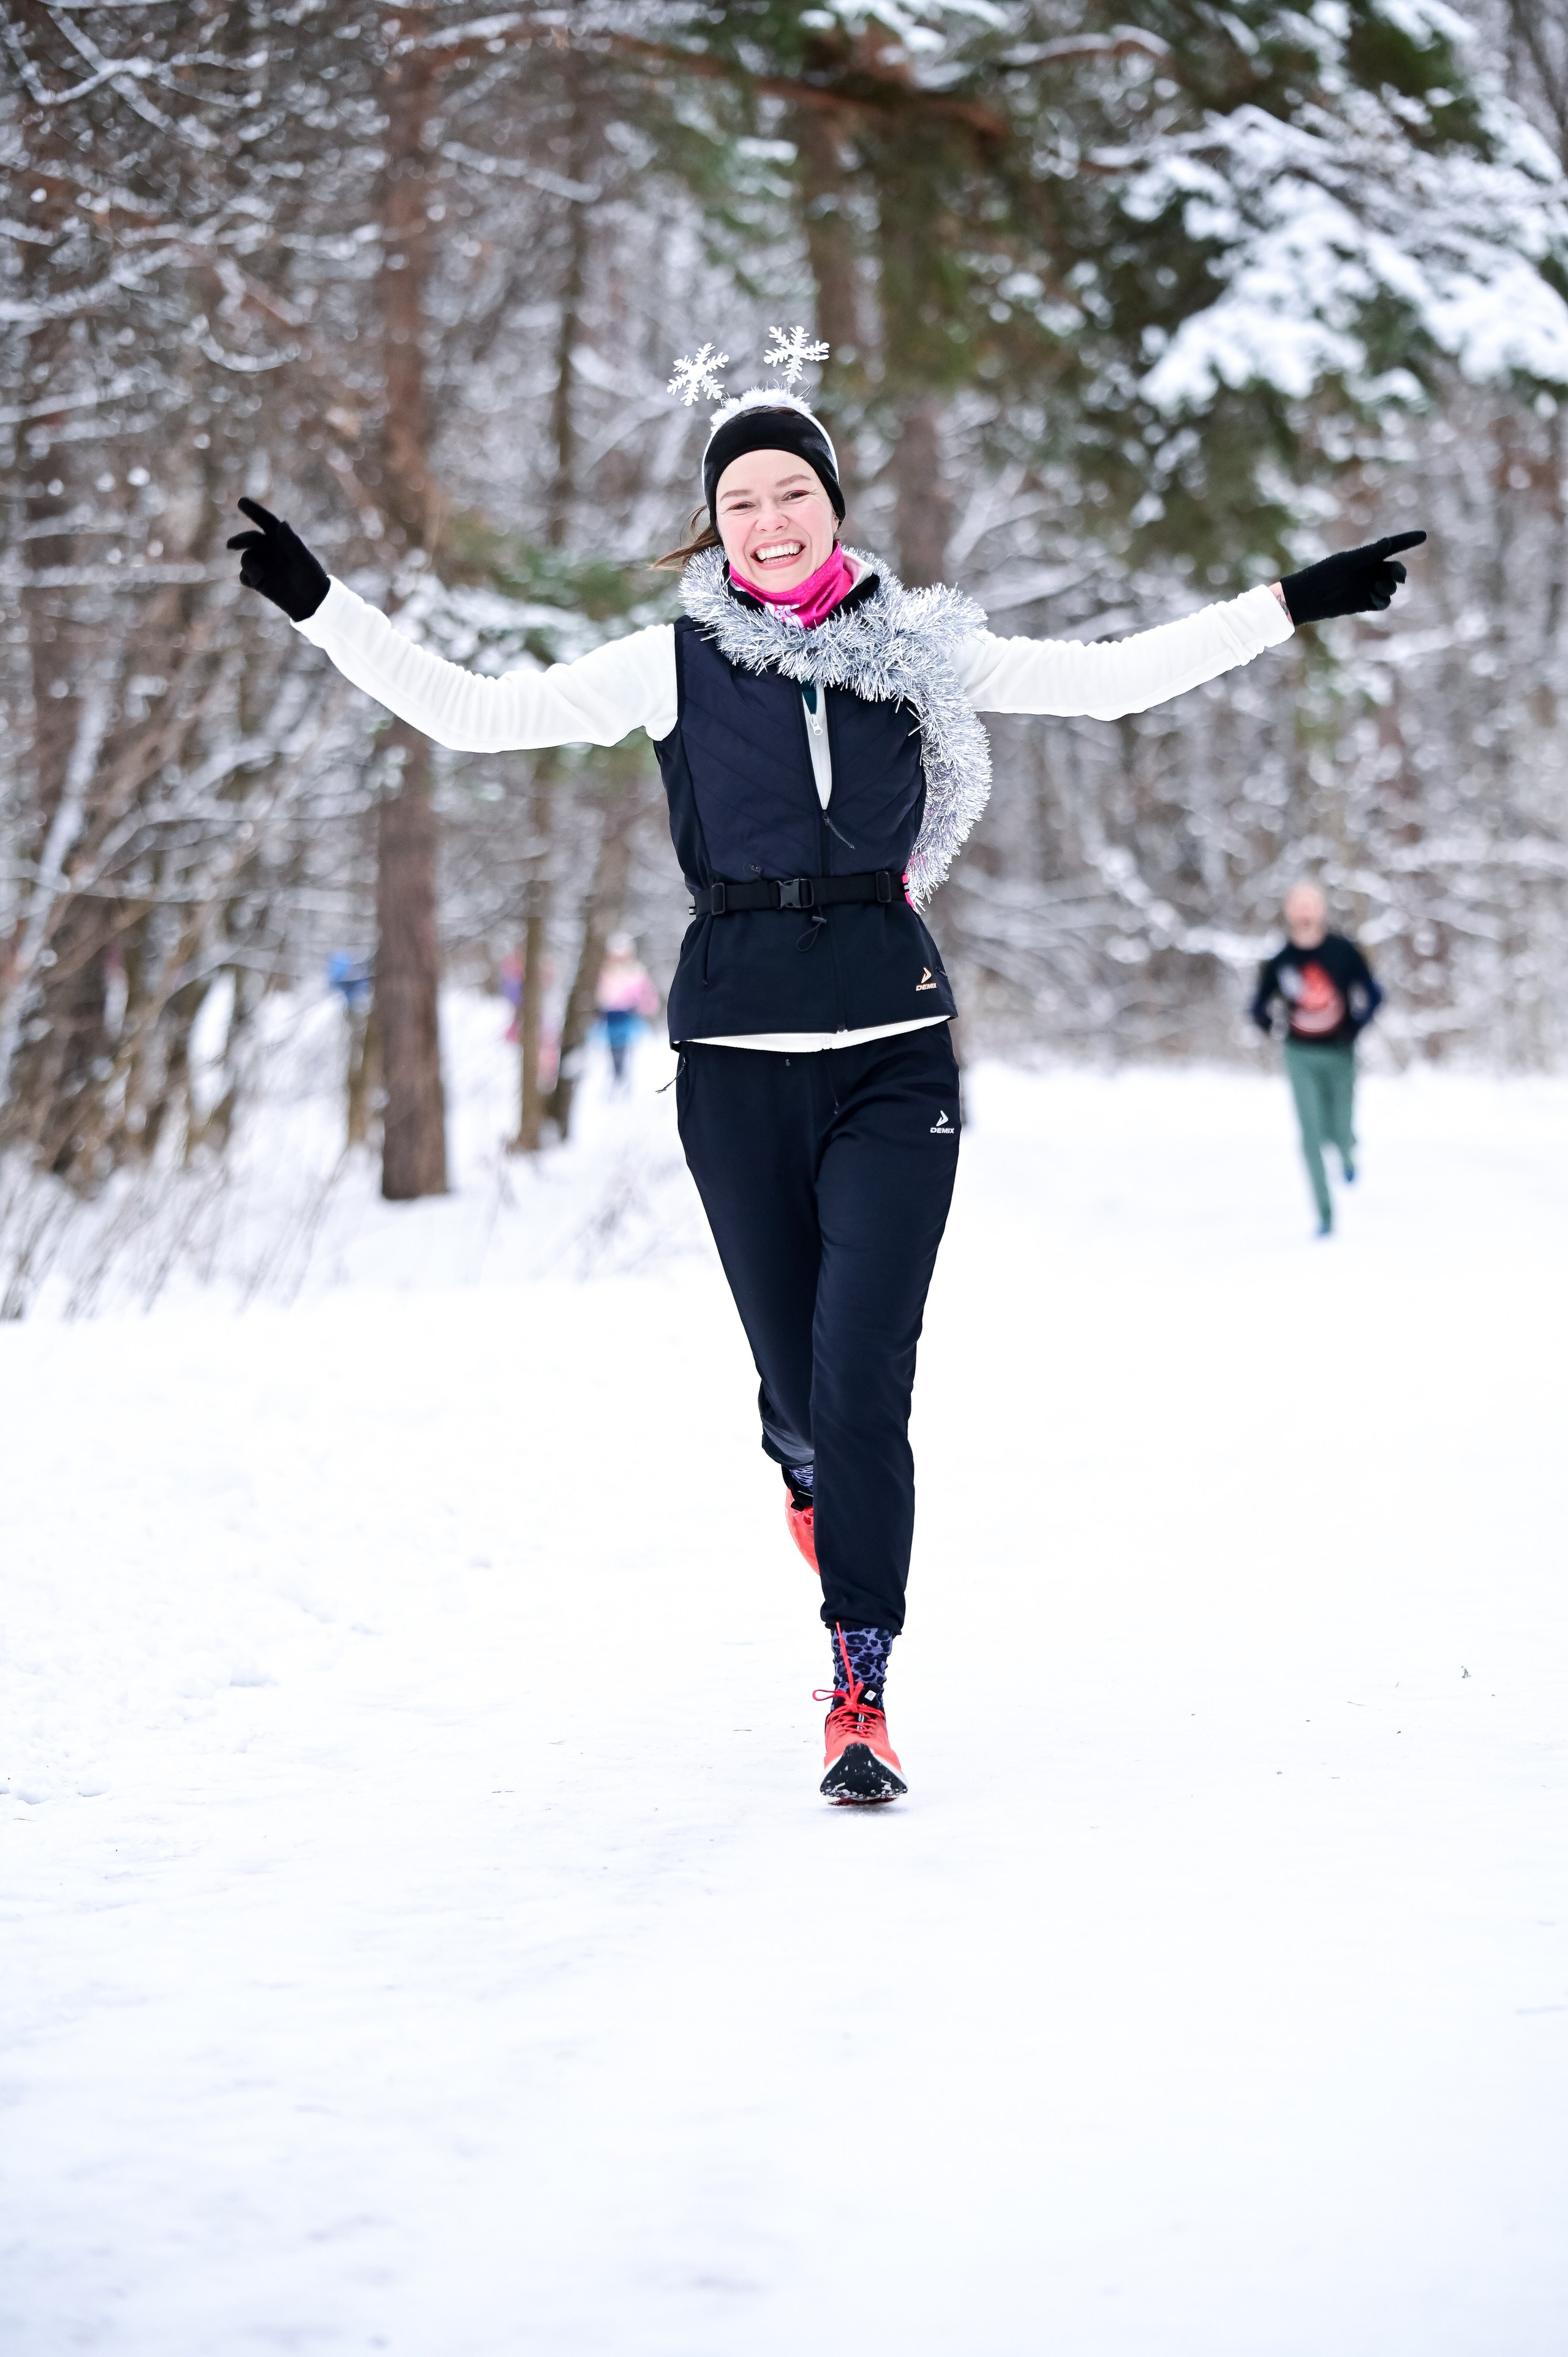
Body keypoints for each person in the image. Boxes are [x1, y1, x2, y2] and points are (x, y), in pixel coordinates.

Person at [229, 367, 1423, 1803]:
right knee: (798, 1393)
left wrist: (1286, 602)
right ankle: (800, 1467)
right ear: (713, 528)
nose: (769, 517)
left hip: (890, 1048)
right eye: (740, 500)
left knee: (862, 1379)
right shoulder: (671, 660)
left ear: (833, 505)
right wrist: (318, 601)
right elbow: (474, 715)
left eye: (791, 490)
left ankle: (857, 1680)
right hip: (731, 1060)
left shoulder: (918, 648)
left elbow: (1106, 683)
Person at [1251, 883, 1383, 1235]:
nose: (1304, 913)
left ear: (1321, 910)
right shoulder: (1281, 960)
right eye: (1298, 906)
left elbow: (1373, 992)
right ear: (1289, 912)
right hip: (1300, 1053)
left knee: (1339, 1126)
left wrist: (1358, 1023)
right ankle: (1325, 1215)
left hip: (1340, 1051)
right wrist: (1268, 1024)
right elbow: (1259, 1004)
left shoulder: (1342, 951)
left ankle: (1347, 1151)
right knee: (1311, 1134)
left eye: (1310, 905)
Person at [595, 933, 661, 1084]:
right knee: (612, 1052)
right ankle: (615, 1079)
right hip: (609, 1019)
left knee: (629, 1052)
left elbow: (648, 995)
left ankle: (627, 1081)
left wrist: (644, 1006)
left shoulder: (636, 972)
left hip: (630, 1018)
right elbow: (600, 994)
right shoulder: (605, 972)